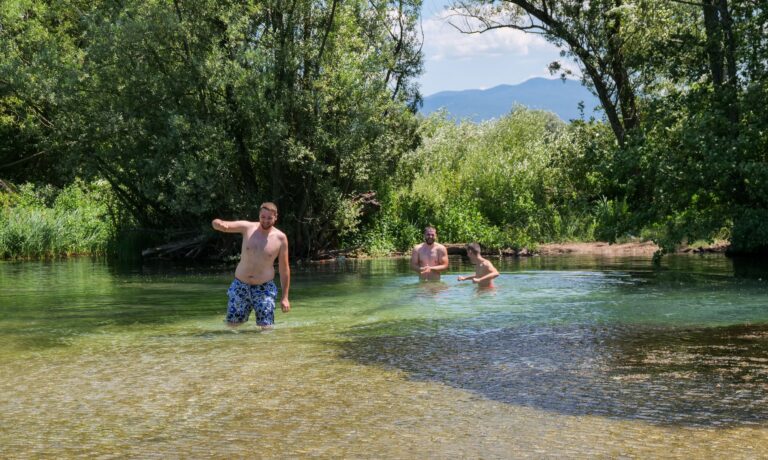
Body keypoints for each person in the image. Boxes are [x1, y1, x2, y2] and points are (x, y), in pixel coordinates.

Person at [212, 202, 291, 328]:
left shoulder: (281, 238)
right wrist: (217, 223)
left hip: (264, 289)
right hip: (240, 286)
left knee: (266, 327)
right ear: (259, 215)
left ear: (276, 217)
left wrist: (285, 297)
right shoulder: (247, 227)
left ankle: (264, 348)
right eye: (263, 217)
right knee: (232, 326)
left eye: (269, 218)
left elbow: (284, 269)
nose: (265, 221)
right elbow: (225, 225)